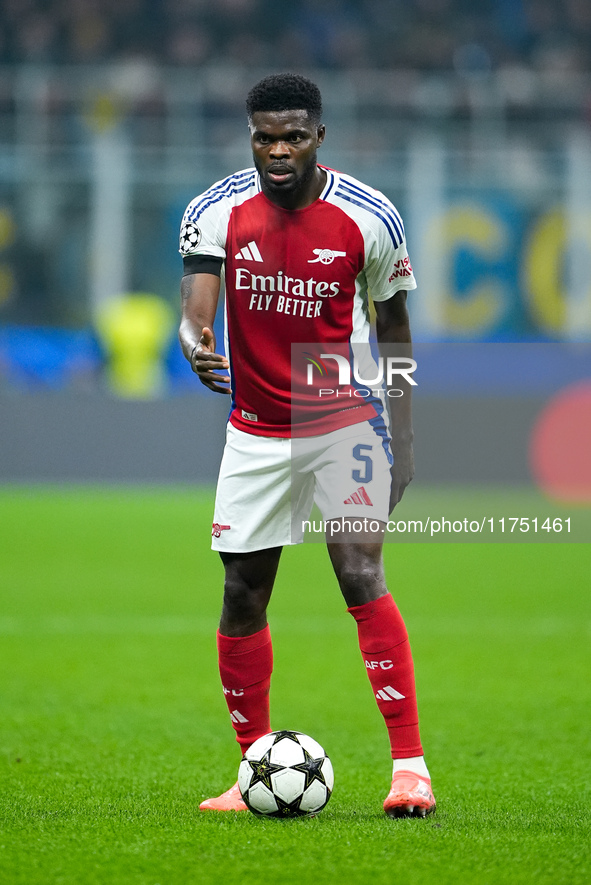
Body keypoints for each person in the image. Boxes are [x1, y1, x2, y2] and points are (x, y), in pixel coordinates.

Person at [178, 73, 436, 818]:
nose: (277, 149)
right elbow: (196, 312)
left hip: (341, 417)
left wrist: (407, 437)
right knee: (241, 593)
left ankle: (409, 768)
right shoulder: (215, 209)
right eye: (264, 136)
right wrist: (196, 344)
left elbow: (394, 328)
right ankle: (252, 765)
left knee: (359, 570)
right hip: (254, 428)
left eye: (292, 135)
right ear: (250, 136)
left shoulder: (369, 217)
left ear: (319, 135)